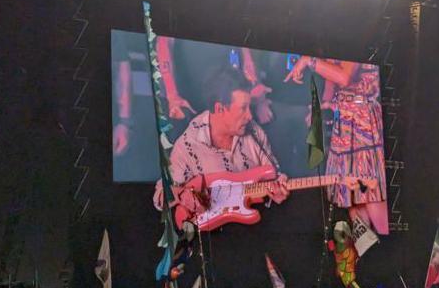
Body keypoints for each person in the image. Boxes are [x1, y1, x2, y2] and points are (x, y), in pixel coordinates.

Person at [153, 69, 289, 219]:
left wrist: (278, 191)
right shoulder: (188, 144)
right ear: (219, 108)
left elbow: (275, 175)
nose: (250, 116)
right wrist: (182, 195)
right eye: (243, 108)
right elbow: (161, 195)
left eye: (250, 107)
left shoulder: (254, 132)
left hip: (257, 225)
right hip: (214, 236)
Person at [285, 55, 389, 235]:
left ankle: (389, 255)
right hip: (344, 127)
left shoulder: (356, 36)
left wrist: (308, 61)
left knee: (371, 197)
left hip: (364, 126)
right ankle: (369, 256)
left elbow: (344, 77)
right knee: (352, 203)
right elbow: (332, 82)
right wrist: (321, 106)